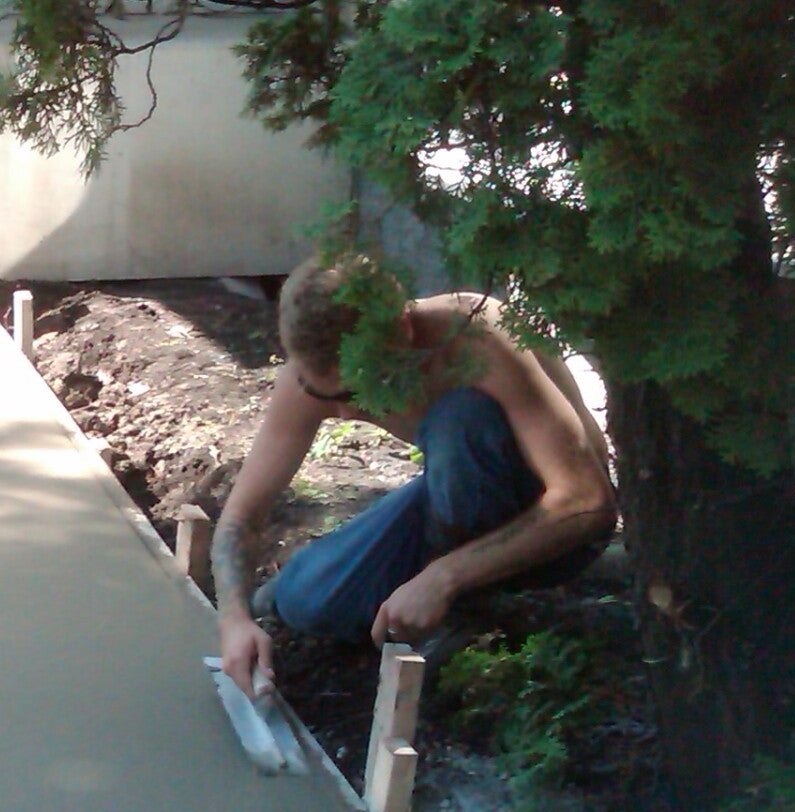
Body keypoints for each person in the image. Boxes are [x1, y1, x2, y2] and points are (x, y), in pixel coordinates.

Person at [214, 253, 617, 693]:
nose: (345, 412)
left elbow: (585, 501)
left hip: (548, 527)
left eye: (356, 389)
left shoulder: (475, 339)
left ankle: (467, 612)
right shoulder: (317, 371)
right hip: (455, 507)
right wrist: (233, 619)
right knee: (302, 599)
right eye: (323, 394)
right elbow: (242, 515)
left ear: (404, 329)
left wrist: (445, 577)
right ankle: (422, 588)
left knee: (460, 420)